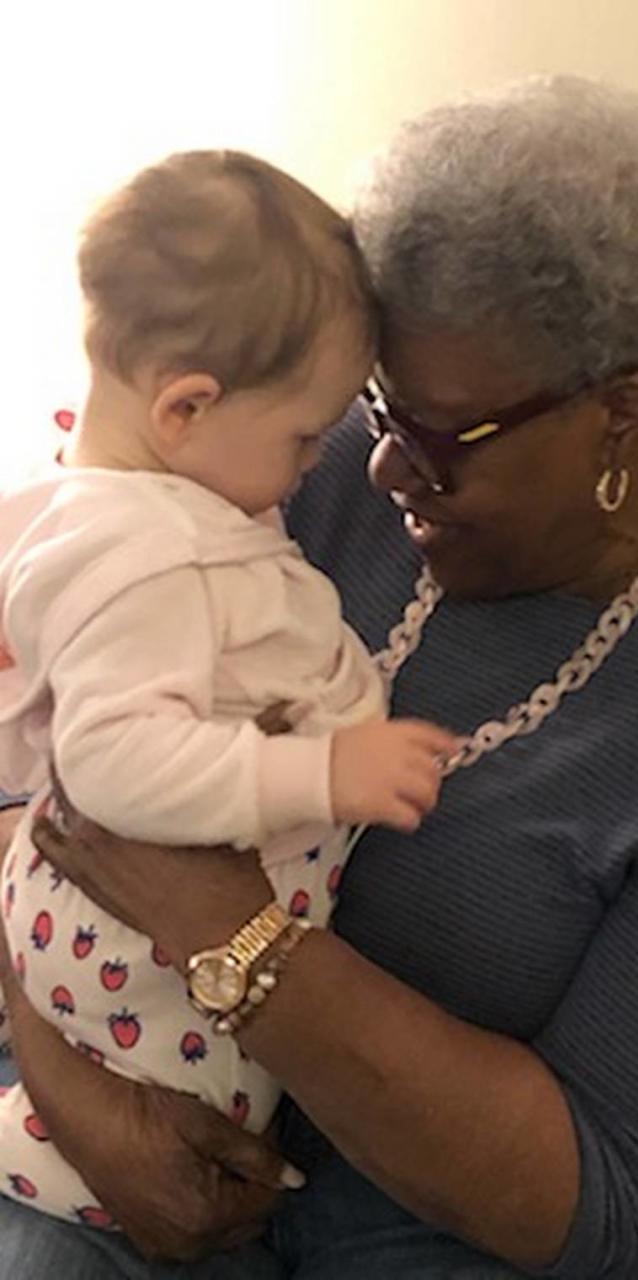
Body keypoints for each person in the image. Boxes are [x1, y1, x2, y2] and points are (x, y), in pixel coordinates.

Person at [0, 76, 638, 1279]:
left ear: (625, 412)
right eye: (371, 401)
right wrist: (74, 1097)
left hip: (476, 1212)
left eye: (430, 432)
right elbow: (43, 759)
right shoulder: (282, 459)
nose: (373, 465)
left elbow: (625, 1212)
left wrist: (227, 928)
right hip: (140, 1059)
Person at [0, 150, 453, 1225]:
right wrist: (321, 770)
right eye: (305, 436)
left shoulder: (161, 502)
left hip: (126, 927)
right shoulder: (145, 559)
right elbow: (113, 762)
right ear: (186, 407)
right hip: (128, 963)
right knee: (185, 1136)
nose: (321, 463)